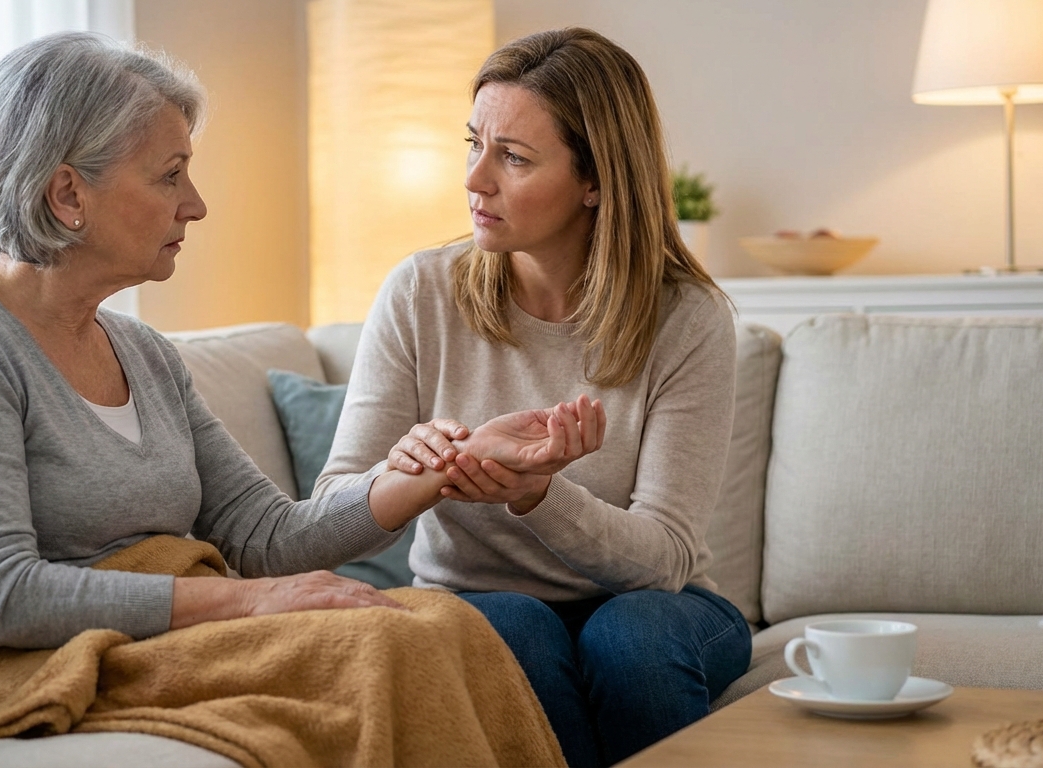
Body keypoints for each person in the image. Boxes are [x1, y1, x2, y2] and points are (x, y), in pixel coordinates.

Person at [0, 31, 601, 717]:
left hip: (136, 649)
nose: (197, 205)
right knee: (382, 645)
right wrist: (249, 603)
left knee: (437, 623)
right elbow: (1, 596)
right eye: (169, 176)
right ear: (68, 194)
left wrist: (455, 464)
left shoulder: (143, 354)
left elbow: (267, 538)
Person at [316, 27, 751, 767]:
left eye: (513, 157)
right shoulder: (420, 292)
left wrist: (541, 496)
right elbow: (330, 516)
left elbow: (666, 558)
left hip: (660, 608)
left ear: (596, 181)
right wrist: (412, 473)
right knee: (511, 628)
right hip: (481, 599)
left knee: (630, 638)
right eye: (473, 143)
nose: (475, 179)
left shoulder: (686, 318)